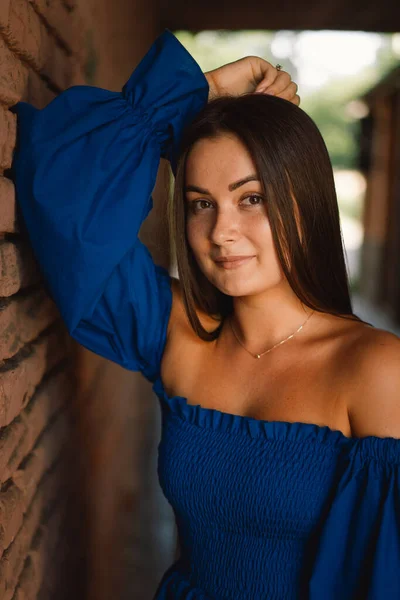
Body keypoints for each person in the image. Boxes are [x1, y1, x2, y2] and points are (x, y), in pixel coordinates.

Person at [10, 29, 400, 600]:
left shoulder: (376, 370)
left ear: (306, 200)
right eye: (200, 204)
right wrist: (201, 91)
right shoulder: (176, 333)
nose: (221, 232)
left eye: (251, 198)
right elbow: (66, 196)